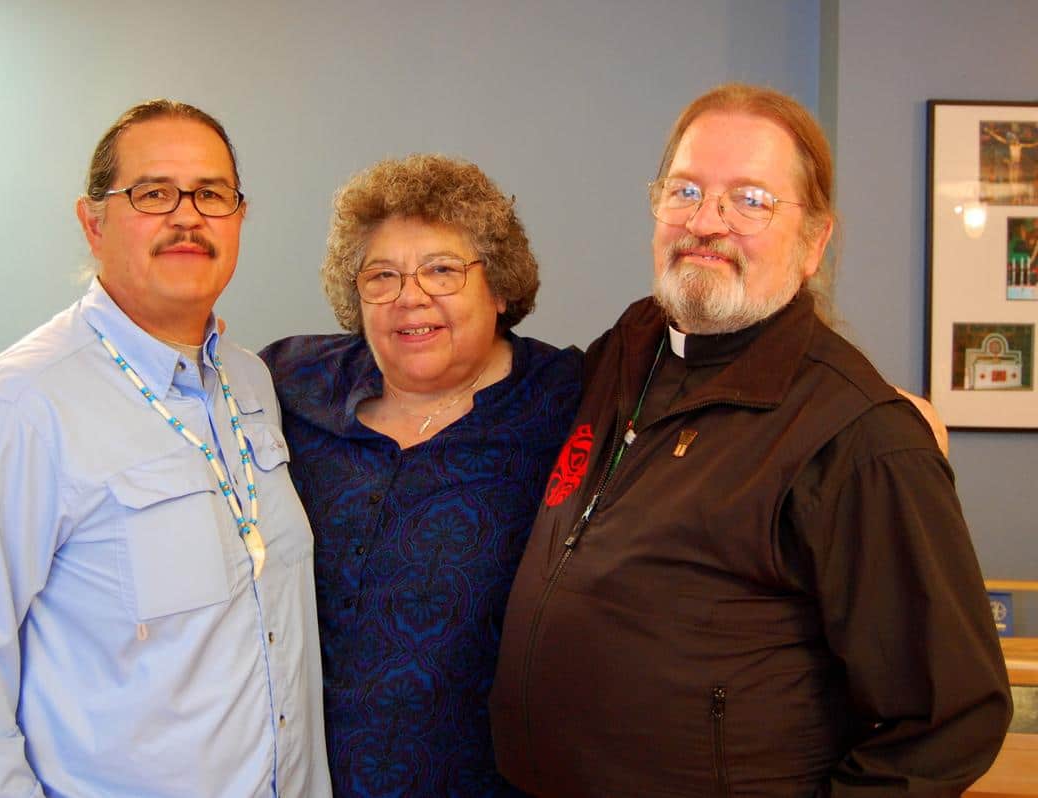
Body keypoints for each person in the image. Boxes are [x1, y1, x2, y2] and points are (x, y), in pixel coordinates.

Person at [490, 83, 1012, 796]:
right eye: (686, 192)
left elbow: (947, 721)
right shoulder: (633, 345)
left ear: (814, 240)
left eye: (751, 200)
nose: (708, 222)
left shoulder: (862, 441)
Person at [0, 100, 330, 797]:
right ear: (94, 223)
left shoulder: (251, 383)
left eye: (211, 194)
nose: (188, 216)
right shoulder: (20, 406)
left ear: (239, 218)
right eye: (153, 193)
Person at [260, 155, 580, 796]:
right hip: (298, 778)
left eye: (442, 270)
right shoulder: (289, 383)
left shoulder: (568, 401)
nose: (411, 296)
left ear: (499, 287)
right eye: (382, 275)